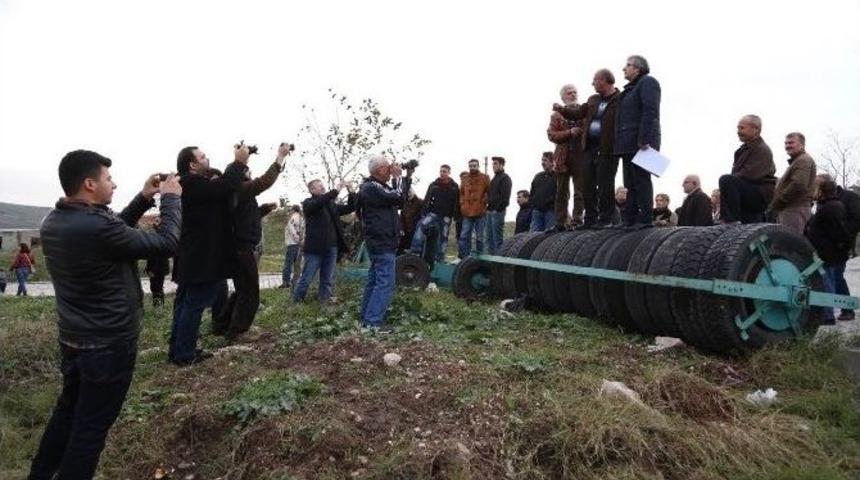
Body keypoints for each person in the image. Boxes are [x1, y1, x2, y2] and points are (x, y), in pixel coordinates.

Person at [30, 149, 181, 479]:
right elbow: (167, 242)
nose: (114, 184)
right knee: (90, 431)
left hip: (75, 340)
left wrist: (144, 198)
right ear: (89, 184)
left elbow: (113, 230)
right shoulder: (96, 228)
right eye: (108, 179)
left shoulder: (56, 220)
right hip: (108, 345)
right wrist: (170, 199)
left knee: (67, 414)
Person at [170, 145, 243, 366]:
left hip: (194, 256)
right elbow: (226, 186)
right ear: (192, 164)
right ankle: (184, 354)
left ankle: (178, 350)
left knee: (186, 303)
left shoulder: (188, 184)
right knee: (194, 304)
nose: (207, 158)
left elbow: (221, 189)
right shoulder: (191, 183)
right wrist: (239, 162)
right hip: (201, 258)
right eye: (202, 157)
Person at [213, 143, 289, 341]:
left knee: (242, 289)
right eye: (246, 171)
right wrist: (280, 157)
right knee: (250, 291)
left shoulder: (236, 192)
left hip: (238, 246)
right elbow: (265, 181)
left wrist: (263, 209)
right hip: (242, 247)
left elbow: (243, 215)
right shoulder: (237, 188)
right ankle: (238, 331)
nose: (249, 174)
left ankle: (222, 325)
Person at [554, 68, 621, 228]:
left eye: (595, 80)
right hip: (589, 149)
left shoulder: (620, 99)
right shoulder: (593, 100)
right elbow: (577, 113)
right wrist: (561, 110)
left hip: (607, 149)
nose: (592, 84)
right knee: (587, 186)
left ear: (605, 80)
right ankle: (589, 219)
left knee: (605, 185)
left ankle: (605, 219)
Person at [358, 155, 413, 331]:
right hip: (381, 241)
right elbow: (397, 198)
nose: (390, 169)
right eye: (388, 167)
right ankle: (373, 322)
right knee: (385, 282)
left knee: (374, 280)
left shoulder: (378, 187)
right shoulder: (371, 187)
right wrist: (398, 177)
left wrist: (407, 176)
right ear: (379, 169)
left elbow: (400, 199)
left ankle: (366, 319)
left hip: (380, 240)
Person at [615, 55, 661, 229]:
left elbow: (650, 111)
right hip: (627, 143)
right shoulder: (628, 89)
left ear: (638, 68)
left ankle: (645, 218)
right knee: (629, 182)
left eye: (628, 65)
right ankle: (630, 218)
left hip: (642, 141)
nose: (624, 68)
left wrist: (643, 139)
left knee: (641, 180)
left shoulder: (648, 82)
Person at [293, 179, 357, 303]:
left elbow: (350, 207)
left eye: (323, 186)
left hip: (331, 247)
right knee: (306, 277)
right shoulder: (308, 203)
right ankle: (296, 302)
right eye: (320, 186)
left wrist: (351, 191)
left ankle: (324, 302)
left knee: (327, 278)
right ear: (312, 190)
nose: (323, 188)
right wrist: (336, 190)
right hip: (315, 249)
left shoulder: (331, 204)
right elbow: (320, 202)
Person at [805, 178, 851, 324]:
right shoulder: (827, 206)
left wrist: (841, 247)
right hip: (828, 252)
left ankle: (828, 316)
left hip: (829, 254)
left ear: (822, 190)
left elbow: (838, 231)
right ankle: (830, 313)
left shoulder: (831, 207)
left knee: (828, 283)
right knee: (830, 281)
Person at [718, 115, 777, 224]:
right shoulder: (741, 151)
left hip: (759, 195)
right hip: (748, 193)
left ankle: (731, 221)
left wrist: (729, 184)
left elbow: (750, 174)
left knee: (726, 180)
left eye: (742, 128)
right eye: (738, 128)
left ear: (755, 129)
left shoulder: (762, 149)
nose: (738, 131)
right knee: (749, 227)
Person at [818, 173, 860, 320]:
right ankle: (840, 309)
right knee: (833, 276)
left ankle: (846, 309)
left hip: (840, 244)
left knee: (836, 276)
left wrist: (843, 238)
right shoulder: (825, 201)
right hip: (831, 245)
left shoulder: (850, 197)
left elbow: (856, 220)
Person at [548, 84, 584, 227]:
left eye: (575, 92)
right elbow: (551, 135)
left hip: (580, 155)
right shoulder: (556, 115)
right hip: (563, 156)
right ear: (563, 97)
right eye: (569, 93)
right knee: (562, 191)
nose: (573, 95)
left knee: (580, 190)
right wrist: (569, 133)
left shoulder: (584, 112)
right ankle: (560, 222)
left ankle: (577, 220)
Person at [770, 132, 816, 235]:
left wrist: (779, 201)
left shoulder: (803, 160)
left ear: (802, 144)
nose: (787, 146)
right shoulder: (798, 161)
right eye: (786, 143)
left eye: (791, 143)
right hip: (791, 209)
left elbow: (798, 185)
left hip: (795, 209)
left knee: (790, 244)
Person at [411, 164, 459, 261]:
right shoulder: (434, 184)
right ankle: (415, 250)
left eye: (444, 171)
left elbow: (457, 202)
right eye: (441, 171)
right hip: (434, 213)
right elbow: (427, 198)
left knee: (443, 237)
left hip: (446, 215)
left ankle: (440, 257)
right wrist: (424, 212)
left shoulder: (454, 186)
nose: (442, 173)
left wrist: (455, 215)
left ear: (449, 173)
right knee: (421, 225)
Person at [458, 159, 490, 258]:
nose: (472, 168)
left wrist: (484, 202)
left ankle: (481, 258)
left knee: (479, 237)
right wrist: (462, 204)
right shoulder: (465, 179)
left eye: (474, 166)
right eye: (471, 166)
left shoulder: (485, 178)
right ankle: (465, 258)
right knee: (464, 236)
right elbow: (461, 193)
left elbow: (489, 192)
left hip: (480, 211)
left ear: (478, 166)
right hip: (467, 211)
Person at [486, 157, 512, 253]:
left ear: (501, 165)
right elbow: (490, 196)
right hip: (490, 211)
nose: (493, 166)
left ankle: (498, 261)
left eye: (495, 163)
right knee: (489, 238)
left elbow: (505, 198)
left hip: (498, 212)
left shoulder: (505, 178)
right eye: (493, 164)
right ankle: (490, 261)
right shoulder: (494, 179)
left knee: (497, 239)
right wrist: (488, 209)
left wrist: (497, 209)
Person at [529, 152, 557, 231]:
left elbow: (561, 194)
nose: (542, 163)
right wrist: (533, 205)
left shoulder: (558, 177)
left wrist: (550, 202)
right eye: (542, 160)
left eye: (545, 160)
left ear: (552, 162)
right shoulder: (537, 176)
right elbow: (532, 192)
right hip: (537, 212)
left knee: (549, 237)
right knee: (533, 237)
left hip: (551, 212)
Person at [281, 205, 304, 289]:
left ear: (294, 210)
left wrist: (297, 239)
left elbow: (292, 230)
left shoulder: (293, 218)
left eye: (290, 210)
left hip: (293, 244)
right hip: (298, 244)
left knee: (288, 263)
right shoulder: (301, 218)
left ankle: (286, 282)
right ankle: (295, 282)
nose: (289, 211)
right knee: (297, 264)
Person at [398, 189, 424, 254]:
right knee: (401, 248)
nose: (408, 195)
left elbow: (423, 217)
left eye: (409, 193)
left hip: (415, 230)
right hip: (405, 230)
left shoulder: (420, 202)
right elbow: (402, 217)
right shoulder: (405, 203)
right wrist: (401, 228)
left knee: (412, 250)